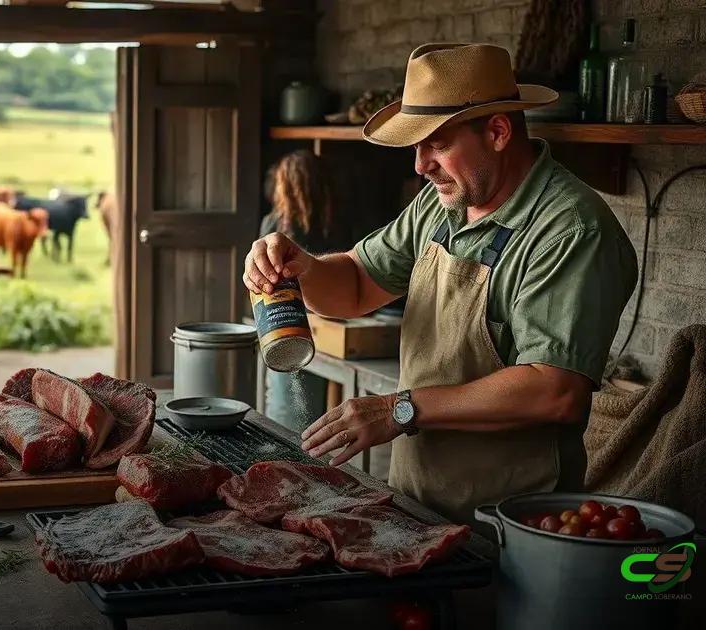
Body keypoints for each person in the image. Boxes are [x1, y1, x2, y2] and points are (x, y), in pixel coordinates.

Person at [243, 43, 638, 525]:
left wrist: (397, 410)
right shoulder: (443, 201)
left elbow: (554, 391)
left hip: (510, 519)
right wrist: (303, 268)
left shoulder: (570, 230)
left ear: (497, 132)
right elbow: (356, 285)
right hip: (420, 498)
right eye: (416, 146)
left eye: (437, 143)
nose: (420, 165)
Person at [259, 150, 351, 432]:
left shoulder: (275, 225)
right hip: (333, 323)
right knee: (321, 408)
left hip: (285, 324)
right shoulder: (337, 223)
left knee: (287, 408)